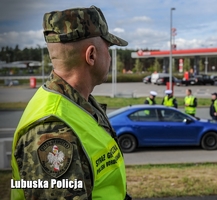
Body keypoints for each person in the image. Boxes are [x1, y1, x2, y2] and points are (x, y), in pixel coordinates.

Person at [11, 5, 131, 200]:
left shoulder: (80, 103)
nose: (110, 57)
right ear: (91, 55)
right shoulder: (52, 131)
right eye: (108, 49)